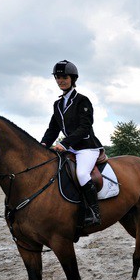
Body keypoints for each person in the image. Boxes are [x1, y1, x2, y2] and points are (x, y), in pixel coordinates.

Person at [41, 60, 103, 227]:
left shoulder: (83, 101)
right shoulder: (58, 104)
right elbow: (53, 129)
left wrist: (64, 143)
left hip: (86, 148)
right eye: (57, 77)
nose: (60, 80)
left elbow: (85, 128)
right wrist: (43, 145)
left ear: (72, 78)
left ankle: (94, 211)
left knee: (82, 174)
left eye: (64, 77)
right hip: (70, 149)